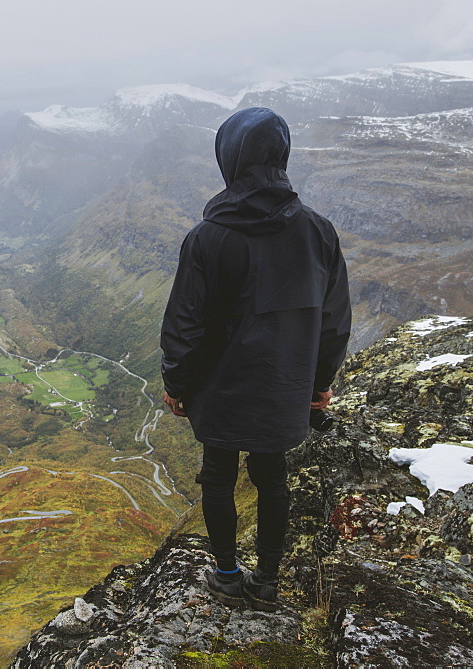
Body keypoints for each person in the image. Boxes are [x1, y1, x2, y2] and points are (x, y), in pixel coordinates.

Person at [160, 107, 351, 611]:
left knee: (218, 477)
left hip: (220, 389)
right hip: (284, 385)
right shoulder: (319, 232)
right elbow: (333, 321)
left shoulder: (207, 237)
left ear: (229, 158)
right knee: (273, 479)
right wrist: (318, 386)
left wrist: (178, 383)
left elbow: (185, 323)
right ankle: (267, 579)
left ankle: (226, 573)